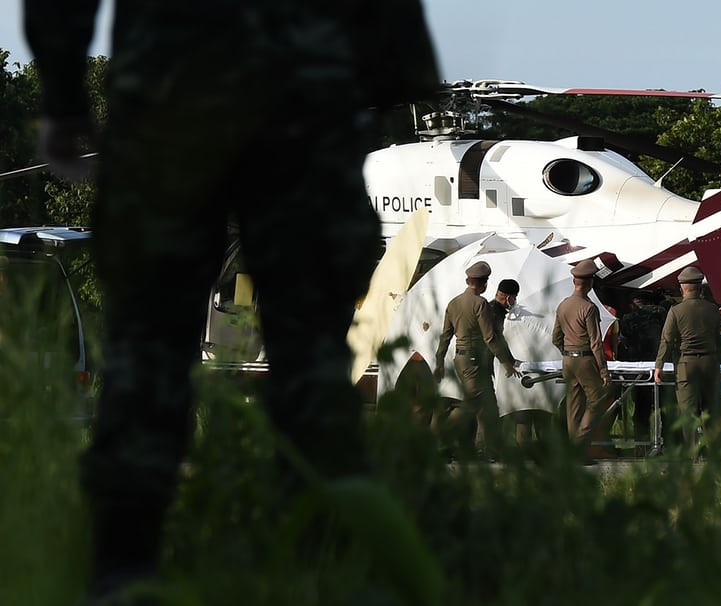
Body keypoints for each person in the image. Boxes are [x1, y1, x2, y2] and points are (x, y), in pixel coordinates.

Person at [25, 2, 439, 602]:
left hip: (170, 95)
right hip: (303, 105)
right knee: (314, 364)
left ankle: (122, 566)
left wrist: (64, 95)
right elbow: (398, 61)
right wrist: (384, 80)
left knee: (148, 351)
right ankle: (322, 558)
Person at [432, 262, 519, 459]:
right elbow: (490, 338)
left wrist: (439, 362)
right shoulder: (480, 304)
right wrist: (507, 363)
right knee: (471, 405)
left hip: (460, 359)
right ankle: (437, 442)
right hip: (475, 361)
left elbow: (445, 336)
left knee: (485, 407)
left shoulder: (453, 303)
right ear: (485, 283)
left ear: (467, 281)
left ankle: (485, 450)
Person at [653, 266, 721, 450]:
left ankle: (693, 451)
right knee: (711, 408)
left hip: (686, 364)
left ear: (682, 288)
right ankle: (713, 451)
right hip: (710, 363)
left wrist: (659, 364)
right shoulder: (713, 309)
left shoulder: (676, 311)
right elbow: (719, 339)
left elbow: (667, 339)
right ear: (700, 288)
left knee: (688, 410)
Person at [551, 259, 612, 459]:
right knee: (597, 399)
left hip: (568, 359)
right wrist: (603, 371)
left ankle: (574, 452)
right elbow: (595, 342)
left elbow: (555, 338)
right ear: (590, 283)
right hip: (585, 359)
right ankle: (578, 446)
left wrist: (566, 351)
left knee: (574, 406)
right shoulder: (589, 307)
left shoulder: (563, 305)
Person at [489, 278, 550, 446]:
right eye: (514, 298)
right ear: (509, 298)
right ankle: (487, 449)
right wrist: (509, 362)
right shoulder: (495, 312)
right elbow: (495, 339)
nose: (515, 302)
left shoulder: (490, 308)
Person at [618, 291, 668, 450]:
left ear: (633, 303)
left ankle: (642, 445)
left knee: (641, 407)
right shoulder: (661, 313)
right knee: (665, 406)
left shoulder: (628, 319)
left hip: (639, 368)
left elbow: (624, 340)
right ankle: (670, 444)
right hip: (663, 365)